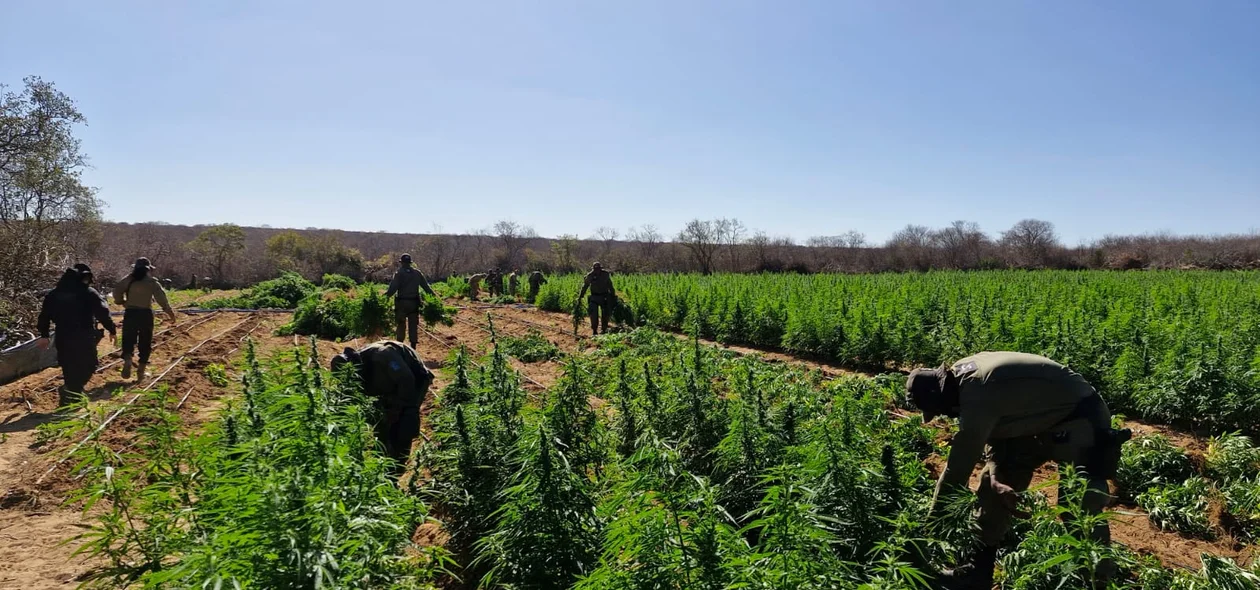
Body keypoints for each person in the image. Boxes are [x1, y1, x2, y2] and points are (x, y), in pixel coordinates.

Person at [905, 351, 1129, 589]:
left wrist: (927, 532)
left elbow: (956, 471)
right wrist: (995, 474)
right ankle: (976, 575)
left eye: (940, 411)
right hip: (1034, 420)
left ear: (940, 398)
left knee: (1079, 504)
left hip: (1078, 417)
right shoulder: (961, 379)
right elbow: (997, 431)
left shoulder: (977, 393)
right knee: (992, 489)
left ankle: (1096, 580)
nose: (948, 416)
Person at [331, 341, 434, 473]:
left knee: (404, 421)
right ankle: (382, 462)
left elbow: (407, 379)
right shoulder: (353, 375)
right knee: (381, 423)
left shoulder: (383, 355)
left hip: (413, 380)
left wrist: (397, 408)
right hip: (388, 387)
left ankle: (397, 467)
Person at [36, 264, 116, 408]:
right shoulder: (88, 293)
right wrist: (111, 329)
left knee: (69, 366)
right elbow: (102, 312)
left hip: (63, 335)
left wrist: (44, 335)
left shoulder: (53, 294)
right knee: (90, 364)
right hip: (83, 335)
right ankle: (71, 393)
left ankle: (70, 394)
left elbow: (44, 316)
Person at [113, 258, 178, 381]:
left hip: (131, 313)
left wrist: (121, 302)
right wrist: (171, 314)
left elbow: (117, 291)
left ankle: (127, 359)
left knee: (128, 339)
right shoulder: (152, 282)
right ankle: (141, 372)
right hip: (145, 314)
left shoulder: (128, 279)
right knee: (145, 342)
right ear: (149, 269)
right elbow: (162, 299)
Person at [384, 254, 437, 349]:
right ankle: (413, 347)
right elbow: (426, 288)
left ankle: (400, 346)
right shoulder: (417, 273)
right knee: (413, 325)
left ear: (402, 263)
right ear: (410, 263)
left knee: (401, 325)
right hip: (414, 304)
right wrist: (436, 299)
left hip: (401, 304)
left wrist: (382, 299)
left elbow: (392, 290)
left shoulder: (399, 273)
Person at [577, 262, 616, 335]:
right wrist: (580, 296)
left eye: (598, 269)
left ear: (600, 269)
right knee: (593, 314)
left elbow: (610, 285)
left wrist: (613, 295)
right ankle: (594, 330)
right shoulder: (590, 275)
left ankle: (604, 329)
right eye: (595, 269)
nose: (597, 271)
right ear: (593, 269)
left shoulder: (605, 274)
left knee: (605, 314)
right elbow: (585, 286)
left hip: (604, 296)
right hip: (594, 297)